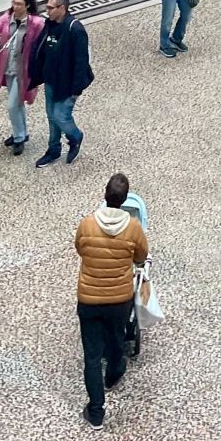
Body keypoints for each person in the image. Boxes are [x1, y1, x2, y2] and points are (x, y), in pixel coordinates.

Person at [75, 171, 147, 427]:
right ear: (125, 199)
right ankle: (114, 373)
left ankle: (96, 411)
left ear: (105, 196)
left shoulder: (88, 224)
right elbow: (141, 254)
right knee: (117, 339)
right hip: (119, 298)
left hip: (90, 297)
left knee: (91, 356)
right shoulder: (133, 227)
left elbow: (80, 248)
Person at [28, 0, 92, 166]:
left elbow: (81, 61)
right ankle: (54, 149)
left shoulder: (75, 29)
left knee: (60, 116)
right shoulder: (49, 25)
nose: (47, 10)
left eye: (50, 7)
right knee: (51, 115)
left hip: (67, 84)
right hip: (51, 80)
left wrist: (76, 89)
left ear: (62, 8)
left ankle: (75, 137)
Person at [0, 0, 43, 153]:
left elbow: (41, 44)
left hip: (24, 70)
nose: (15, 6)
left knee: (12, 104)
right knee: (17, 102)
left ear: (27, 5)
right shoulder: (8, 18)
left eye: (19, 4)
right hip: (8, 66)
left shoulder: (36, 23)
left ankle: (19, 137)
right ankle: (21, 132)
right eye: (14, 3)